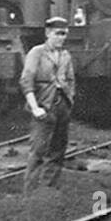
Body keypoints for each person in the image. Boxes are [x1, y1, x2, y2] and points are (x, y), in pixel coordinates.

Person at [20, 16, 77, 193]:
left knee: (58, 150)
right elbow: (26, 81)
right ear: (48, 33)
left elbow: (71, 79)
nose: (62, 38)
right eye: (58, 34)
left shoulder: (65, 55)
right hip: (44, 106)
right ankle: (30, 192)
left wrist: (69, 98)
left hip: (62, 106)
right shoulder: (36, 53)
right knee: (38, 150)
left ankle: (48, 190)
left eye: (64, 34)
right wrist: (35, 107)